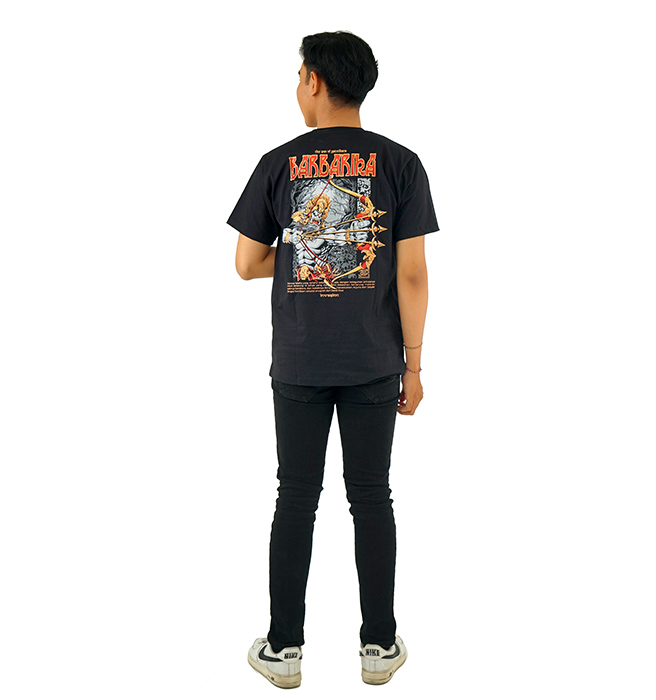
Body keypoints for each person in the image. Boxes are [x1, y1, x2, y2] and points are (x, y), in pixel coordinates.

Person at [226, 31, 439, 688]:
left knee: (296, 495)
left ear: (315, 81)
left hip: (299, 360)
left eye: (299, 77)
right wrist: (414, 366)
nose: (297, 88)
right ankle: (379, 646)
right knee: (371, 496)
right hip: (374, 359)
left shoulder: (278, 163)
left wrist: (301, 250)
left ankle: (284, 649)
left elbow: (246, 263)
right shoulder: (401, 164)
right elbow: (411, 274)